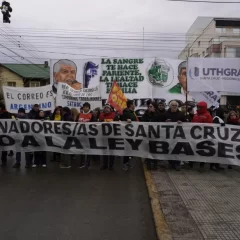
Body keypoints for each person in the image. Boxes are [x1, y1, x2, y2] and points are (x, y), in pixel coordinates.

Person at [165, 100, 186, 171]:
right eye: (172, 105)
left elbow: (186, 123)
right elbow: (159, 122)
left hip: (178, 136)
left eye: (175, 105)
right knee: (169, 148)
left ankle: (177, 163)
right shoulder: (166, 113)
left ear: (177, 106)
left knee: (177, 149)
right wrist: (165, 122)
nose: (174, 107)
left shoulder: (181, 114)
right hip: (168, 135)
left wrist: (182, 122)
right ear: (170, 106)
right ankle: (170, 163)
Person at [192, 101, 213, 171]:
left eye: (200, 107)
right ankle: (192, 162)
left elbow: (210, 126)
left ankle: (202, 165)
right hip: (195, 135)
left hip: (203, 135)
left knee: (202, 150)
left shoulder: (208, 115)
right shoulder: (195, 115)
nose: (198, 108)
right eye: (198, 107)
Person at [76, 102, 96, 169]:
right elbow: (75, 123)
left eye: (87, 107)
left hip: (89, 135)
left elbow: (94, 124)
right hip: (81, 135)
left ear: (89, 108)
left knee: (88, 150)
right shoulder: (79, 114)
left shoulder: (92, 115)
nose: (85, 108)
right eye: (84, 107)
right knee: (81, 149)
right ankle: (82, 163)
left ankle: (88, 163)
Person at [99, 104, 119, 170]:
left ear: (110, 109)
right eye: (105, 108)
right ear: (104, 109)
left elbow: (117, 126)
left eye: (108, 108)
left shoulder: (115, 116)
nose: (107, 109)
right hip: (103, 136)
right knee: (104, 151)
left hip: (112, 137)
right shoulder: (101, 116)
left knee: (111, 151)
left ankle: (111, 165)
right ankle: (105, 165)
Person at [141, 102, 159, 170]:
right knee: (148, 150)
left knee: (154, 150)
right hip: (147, 135)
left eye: (151, 106)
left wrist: (153, 113)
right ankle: (148, 164)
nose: (149, 108)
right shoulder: (145, 114)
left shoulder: (157, 114)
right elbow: (142, 121)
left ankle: (155, 164)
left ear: (154, 107)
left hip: (155, 135)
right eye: (149, 106)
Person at [121, 100, 139, 171]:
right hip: (128, 134)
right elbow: (122, 119)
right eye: (133, 104)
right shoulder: (126, 112)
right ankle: (124, 164)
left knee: (130, 149)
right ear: (130, 105)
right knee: (127, 149)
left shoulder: (132, 112)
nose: (134, 105)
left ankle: (127, 162)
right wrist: (126, 120)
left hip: (132, 133)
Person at [0, 103, 13, 167]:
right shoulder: (9, 114)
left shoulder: (4, 114)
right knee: (5, 144)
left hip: (2, 131)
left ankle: (3, 159)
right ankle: (4, 159)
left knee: (3, 145)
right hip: (7, 131)